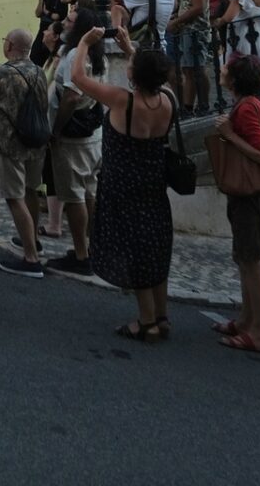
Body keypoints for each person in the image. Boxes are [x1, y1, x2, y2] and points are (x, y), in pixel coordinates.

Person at [70, 23, 175, 341]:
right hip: (154, 182)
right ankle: (161, 315)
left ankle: (145, 321)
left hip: (122, 185)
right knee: (155, 247)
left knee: (134, 249)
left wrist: (84, 44)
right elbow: (155, 75)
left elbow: (77, 78)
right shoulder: (167, 100)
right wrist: (132, 50)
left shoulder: (123, 101)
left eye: (130, 64)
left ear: (133, 76)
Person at [211, 55, 260, 353]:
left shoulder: (247, 107)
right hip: (247, 194)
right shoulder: (248, 104)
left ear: (234, 79)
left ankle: (258, 332)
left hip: (250, 194)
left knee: (251, 262)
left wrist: (229, 136)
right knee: (245, 259)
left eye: (226, 68)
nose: (221, 70)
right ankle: (246, 321)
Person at [0, 28, 50, 278]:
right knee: (31, 190)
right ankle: (32, 240)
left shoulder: (1, 73)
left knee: (14, 197)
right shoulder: (39, 70)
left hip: (10, 143)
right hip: (37, 140)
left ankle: (31, 258)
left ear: (9, 46)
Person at [46, 11, 105, 276]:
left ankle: (81, 253)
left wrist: (56, 129)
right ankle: (92, 249)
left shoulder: (75, 55)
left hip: (73, 135)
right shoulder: (98, 54)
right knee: (89, 192)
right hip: (92, 132)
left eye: (69, 21)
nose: (64, 24)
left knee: (74, 195)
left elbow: (71, 96)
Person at [163, 0, 211, 113]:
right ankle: (189, 106)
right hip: (188, 30)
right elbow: (190, 5)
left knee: (196, 69)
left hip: (195, 30)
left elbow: (198, 7)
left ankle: (200, 105)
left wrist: (176, 22)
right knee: (189, 69)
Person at [31, 0, 67, 67]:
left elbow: (58, 17)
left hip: (54, 33)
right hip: (42, 31)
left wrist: (47, 12)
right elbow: (38, 13)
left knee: (50, 59)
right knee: (35, 55)